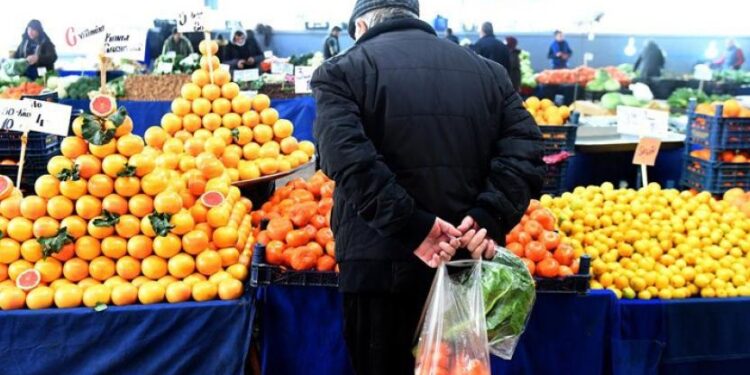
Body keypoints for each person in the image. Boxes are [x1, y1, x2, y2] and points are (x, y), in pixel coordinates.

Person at [311, 1, 545, 374]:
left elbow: (348, 160)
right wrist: (488, 217)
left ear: (361, 26)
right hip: (464, 265)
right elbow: (527, 150)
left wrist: (414, 227)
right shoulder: (489, 73)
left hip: (377, 270)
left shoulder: (341, 72)